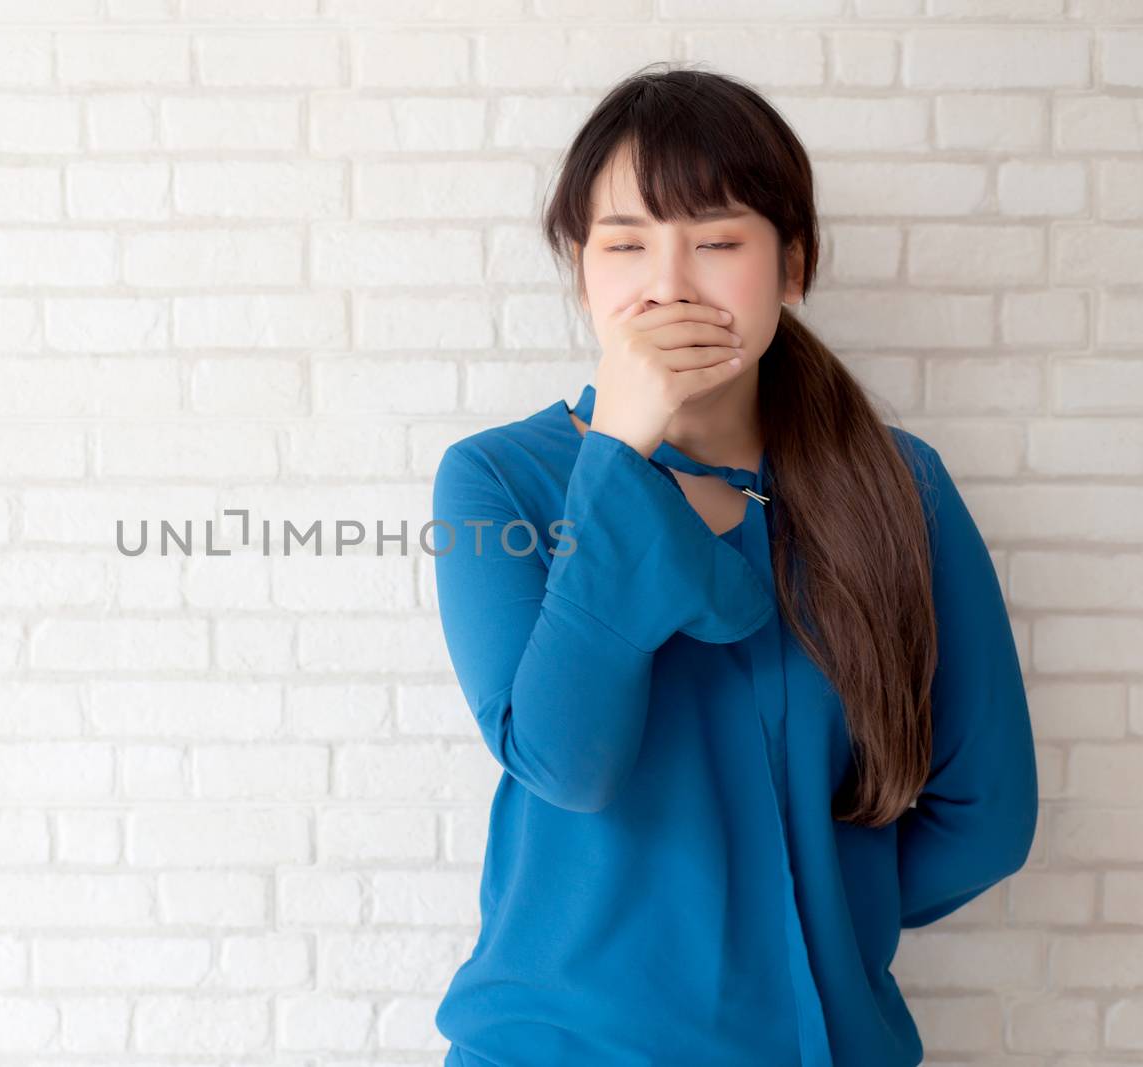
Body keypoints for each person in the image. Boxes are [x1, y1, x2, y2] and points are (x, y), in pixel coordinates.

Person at [428, 64, 1039, 1067]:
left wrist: (815, 906)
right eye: (624, 244)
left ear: (792, 265)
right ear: (580, 269)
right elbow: (566, 763)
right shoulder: (497, 481)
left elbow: (986, 814)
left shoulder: (897, 485)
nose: (668, 284)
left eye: (716, 241)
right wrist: (617, 456)